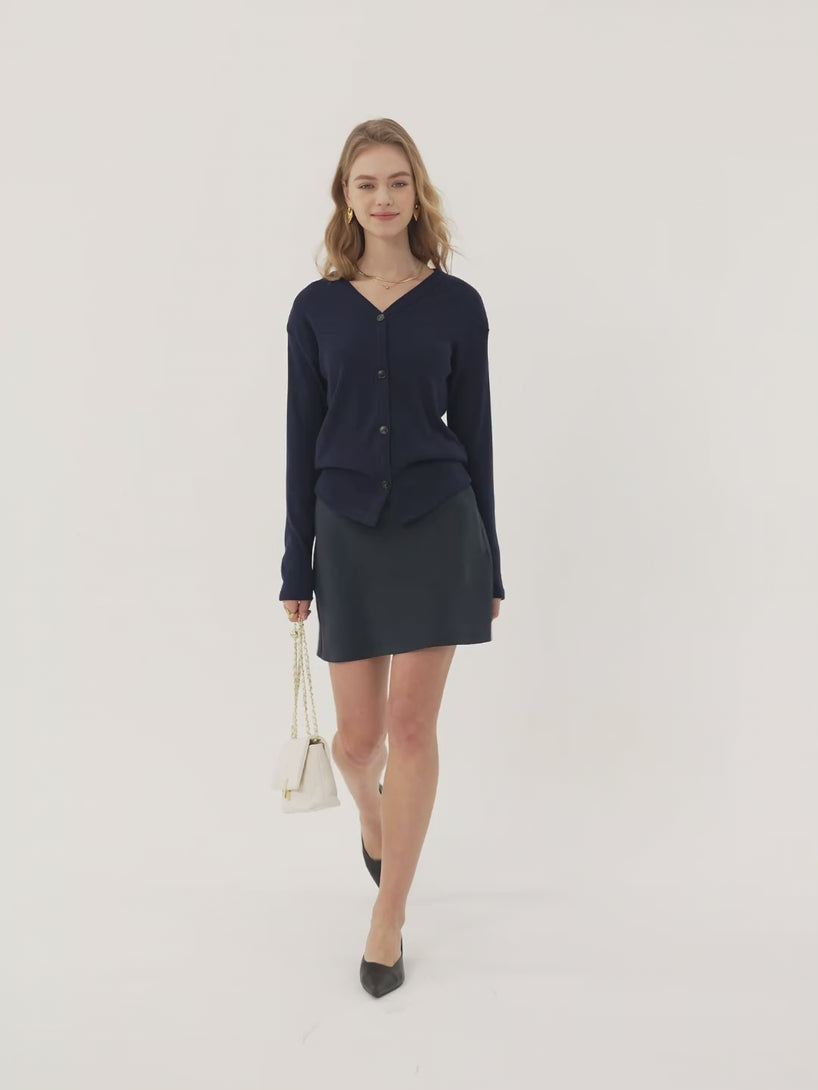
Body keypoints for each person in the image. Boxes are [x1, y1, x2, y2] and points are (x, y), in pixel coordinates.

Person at [278, 118, 506, 997]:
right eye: (366, 183)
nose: (383, 197)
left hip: (438, 523)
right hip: (345, 529)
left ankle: (388, 916)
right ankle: (374, 821)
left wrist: (489, 560)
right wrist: (295, 563)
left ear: (418, 193)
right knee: (358, 741)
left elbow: (476, 432)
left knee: (411, 729)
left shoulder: (457, 305)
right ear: (346, 196)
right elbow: (300, 440)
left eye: (398, 182)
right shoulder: (316, 309)